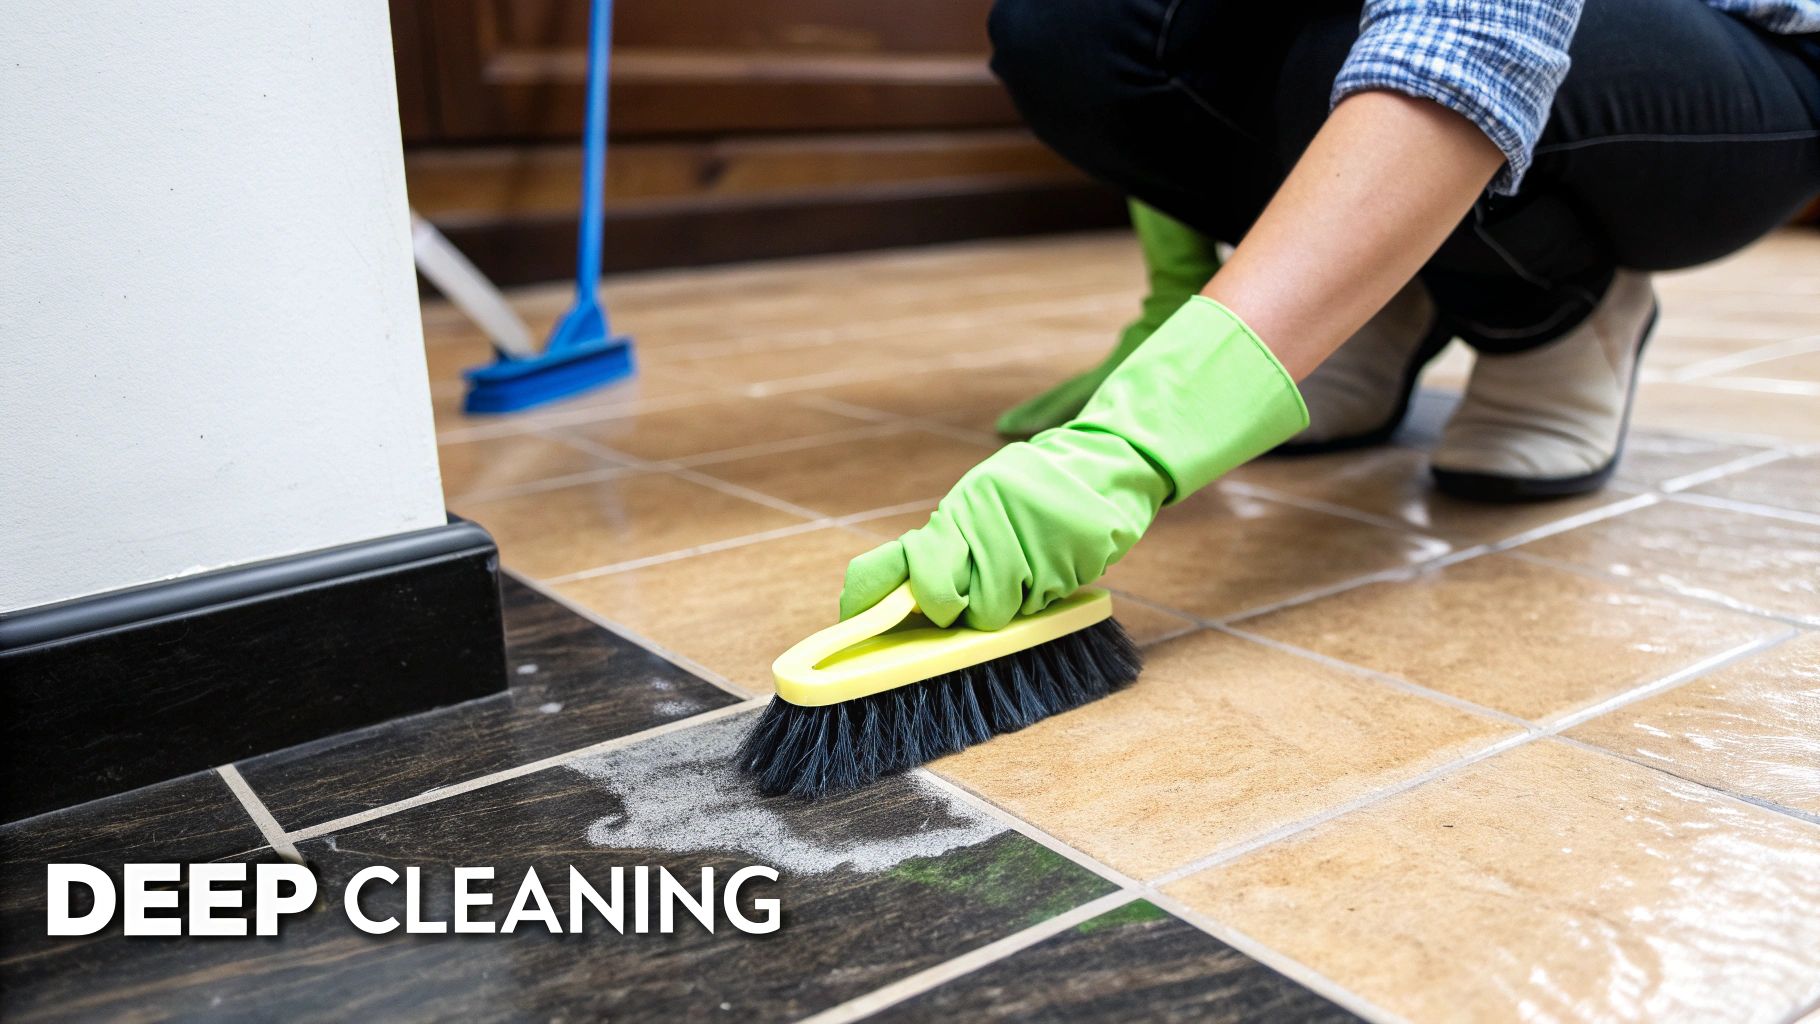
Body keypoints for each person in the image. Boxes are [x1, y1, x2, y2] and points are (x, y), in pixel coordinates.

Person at [840, 0, 1820, 631]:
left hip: (1727, 57)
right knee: (1063, 29)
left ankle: (1554, 311)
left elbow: (1474, 36)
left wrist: (1134, 439)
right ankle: (1375, 290)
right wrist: (1170, 300)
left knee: (1340, 57)